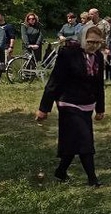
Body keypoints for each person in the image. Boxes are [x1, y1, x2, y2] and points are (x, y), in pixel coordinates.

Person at [37, 26, 106, 186]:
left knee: (72, 140)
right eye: (90, 42)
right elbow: (54, 81)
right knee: (85, 139)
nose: (94, 45)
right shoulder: (68, 54)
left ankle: (60, 171)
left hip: (87, 104)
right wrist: (44, 108)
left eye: (97, 42)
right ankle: (92, 179)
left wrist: (100, 108)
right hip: (68, 102)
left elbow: (99, 84)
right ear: (82, 39)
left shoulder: (99, 57)